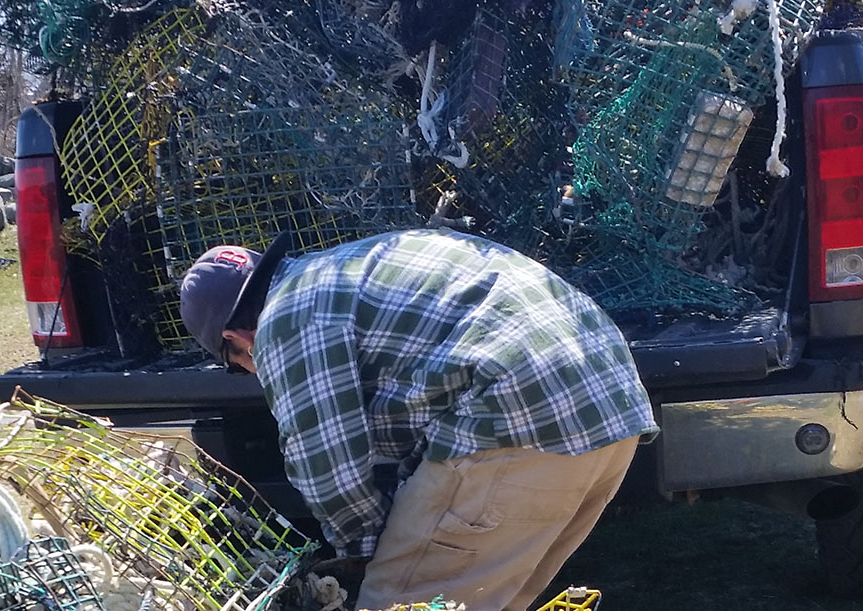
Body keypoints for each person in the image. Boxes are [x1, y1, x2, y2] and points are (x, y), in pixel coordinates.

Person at [179, 229, 658, 611]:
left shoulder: (285, 316)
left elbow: (330, 470)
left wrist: (366, 560)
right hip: (612, 408)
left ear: (237, 337)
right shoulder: (354, 267)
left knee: (397, 602)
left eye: (241, 364)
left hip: (517, 414)